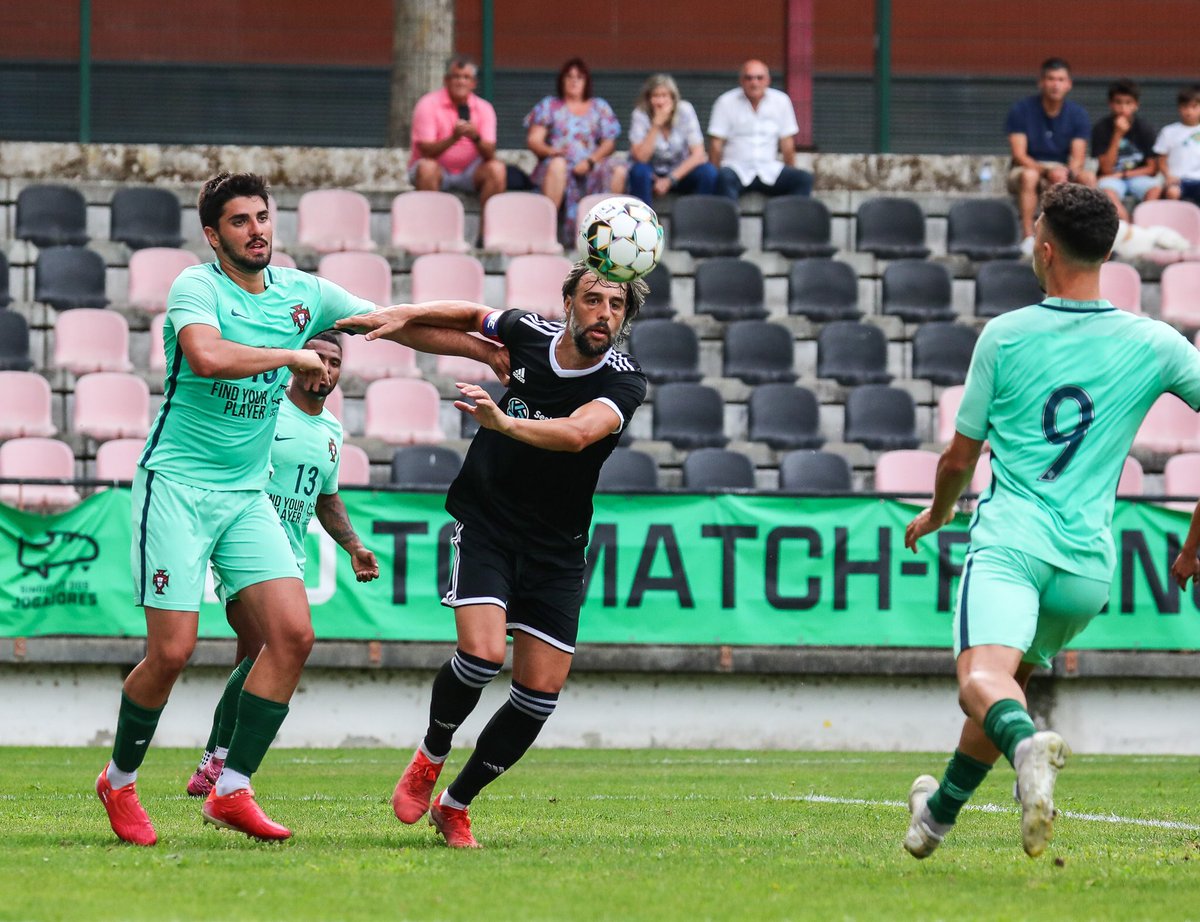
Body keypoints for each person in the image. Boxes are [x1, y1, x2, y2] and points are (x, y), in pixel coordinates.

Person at [95, 171, 506, 847]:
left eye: (262, 216)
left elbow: (389, 322)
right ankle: (119, 778)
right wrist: (291, 353)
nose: (256, 229)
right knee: (173, 651)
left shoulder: (302, 293)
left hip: (245, 494)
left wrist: (484, 350)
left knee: (293, 635)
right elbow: (204, 356)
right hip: (176, 486)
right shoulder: (197, 288)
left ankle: (231, 789)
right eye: (239, 221)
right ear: (213, 234)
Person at [901, 183, 1200, 861]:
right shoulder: (1154, 342)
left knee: (978, 680)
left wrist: (939, 512)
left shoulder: (1005, 336)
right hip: (1087, 571)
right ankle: (935, 820)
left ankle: (1028, 747)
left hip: (1012, 543)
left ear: (1044, 249)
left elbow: (957, 457)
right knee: (1004, 685)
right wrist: (1193, 540)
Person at [337, 262, 649, 849]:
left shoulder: (626, 381)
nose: (604, 314)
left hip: (557, 549)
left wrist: (502, 422)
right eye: (593, 300)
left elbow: (579, 433)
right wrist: (404, 316)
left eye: (616, 305)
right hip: (489, 524)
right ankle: (431, 753)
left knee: (537, 697)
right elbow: (469, 323)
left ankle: (455, 805)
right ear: (569, 303)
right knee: (480, 657)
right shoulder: (529, 334)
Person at [185, 330, 379, 798]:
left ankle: (214, 759)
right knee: (268, 645)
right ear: (296, 361)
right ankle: (222, 763)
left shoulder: (332, 431)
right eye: (317, 358)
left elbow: (326, 500)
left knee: (254, 658)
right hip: (241, 545)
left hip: (288, 556)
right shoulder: (266, 410)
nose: (325, 370)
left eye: (334, 362)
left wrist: (353, 546)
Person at [524, 58, 626, 245]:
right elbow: (534, 140)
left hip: (590, 165)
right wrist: (552, 151)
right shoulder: (550, 106)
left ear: (587, 81)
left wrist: (590, 162)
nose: (574, 81)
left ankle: (608, 235)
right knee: (557, 166)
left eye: (579, 77)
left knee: (618, 170)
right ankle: (546, 234)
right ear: (561, 80)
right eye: (569, 76)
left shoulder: (599, 107)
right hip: (558, 164)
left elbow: (609, 143)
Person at [1005, 57, 1097, 255]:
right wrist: (1047, 171)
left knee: (1088, 178)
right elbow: (1019, 154)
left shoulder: (1078, 114)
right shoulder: (1021, 110)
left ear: (1069, 84)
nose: (1056, 84)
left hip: (1060, 168)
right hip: (1027, 167)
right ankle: (1028, 237)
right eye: (1051, 79)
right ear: (1041, 82)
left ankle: (1085, 237)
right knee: (1029, 176)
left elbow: (1078, 156)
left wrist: (1069, 173)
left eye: (1061, 79)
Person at [409, 55, 506, 210]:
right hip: (436, 170)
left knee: (497, 169)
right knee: (427, 168)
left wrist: (475, 137)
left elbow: (490, 154)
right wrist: (453, 138)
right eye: (456, 76)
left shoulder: (485, 108)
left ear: (474, 83)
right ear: (446, 80)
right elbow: (426, 151)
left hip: (470, 172)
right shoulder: (427, 104)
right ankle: (432, 232)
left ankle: (486, 233)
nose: (461, 82)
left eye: (466, 77)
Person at [707, 59, 813, 201]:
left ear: (768, 80)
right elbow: (715, 144)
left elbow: (787, 143)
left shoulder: (781, 101)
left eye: (759, 78)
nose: (754, 83)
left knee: (803, 179)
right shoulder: (725, 102)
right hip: (735, 169)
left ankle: (790, 221)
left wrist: (790, 169)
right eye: (749, 78)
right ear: (741, 80)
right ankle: (729, 223)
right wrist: (715, 174)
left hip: (769, 170)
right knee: (724, 179)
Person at [626, 73, 718, 206]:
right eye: (655, 96)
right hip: (651, 174)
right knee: (639, 171)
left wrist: (670, 180)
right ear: (648, 99)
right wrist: (656, 125)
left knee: (708, 172)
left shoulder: (685, 110)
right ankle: (644, 222)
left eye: (664, 96)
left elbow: (698, 154)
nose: (660, 102)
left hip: (680, 172)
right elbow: (641, 158)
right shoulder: (640, 114)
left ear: (673, 98)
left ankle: (700, 220)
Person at [1092, 79, 1162, 220]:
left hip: (1137, 176)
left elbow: (1152, 168)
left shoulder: (1145, 128)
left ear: (1136, 105)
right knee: (1107, 192)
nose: (1123, 108)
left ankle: (1141, 224)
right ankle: (1127, 225)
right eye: (1118, 102)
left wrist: (1122, 174)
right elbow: (1106, 169)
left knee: (1155, 189)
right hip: (1110, 179)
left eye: (1128, 103)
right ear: (1110, 104)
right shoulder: (1101, 128)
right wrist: (1117, 134)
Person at [1153, 85, 1200, 206]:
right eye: (1185, 107)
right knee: (1172, 193)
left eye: (1194, 107)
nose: (1189, 111)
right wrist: (1168, 177)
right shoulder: (1168, 131)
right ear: (1179, 108)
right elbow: (1161, 160)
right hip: (1177, 181)